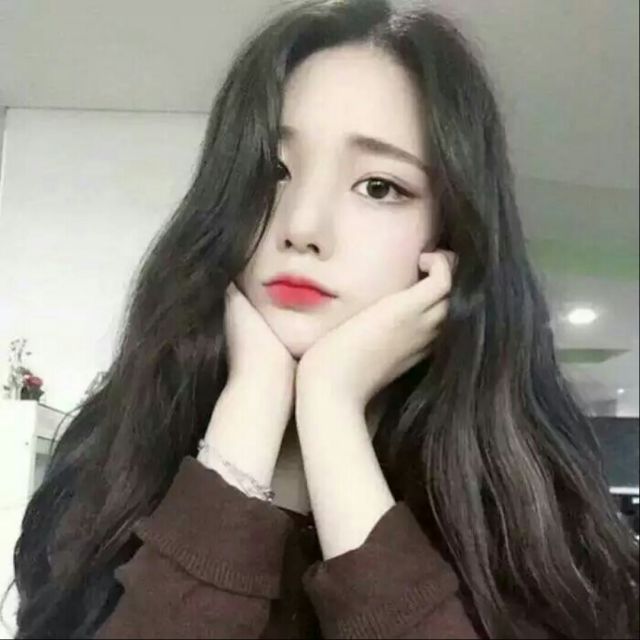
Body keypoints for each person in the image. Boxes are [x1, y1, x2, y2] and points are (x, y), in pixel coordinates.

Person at [5, 0, 638, 638]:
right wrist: (250, 406)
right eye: (272, 171)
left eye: (379, 187)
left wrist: (332, 410)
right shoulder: (109, 473)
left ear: (450, 240)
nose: (303, 226)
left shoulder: (529, 525)